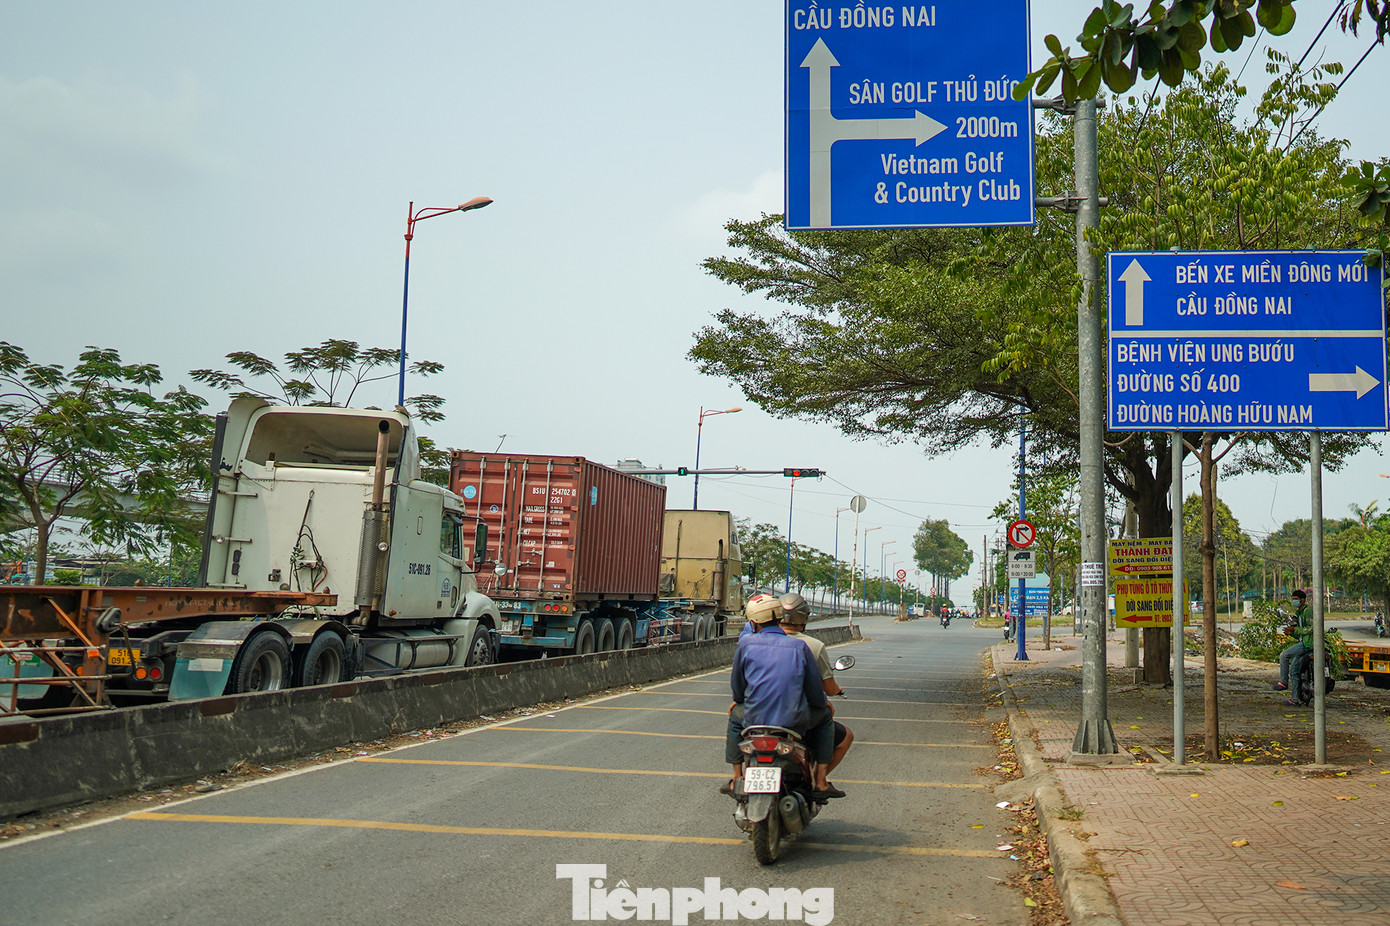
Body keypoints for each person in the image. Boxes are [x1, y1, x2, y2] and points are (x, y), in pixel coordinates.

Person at [722, 593, 841, 802]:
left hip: (753, 718)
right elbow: (815, 691)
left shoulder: (746, 644)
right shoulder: (799, 647)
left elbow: (738, 686)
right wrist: (824, 705)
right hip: (793, 720)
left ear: (752, 622)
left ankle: (736, 776)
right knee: (825, 718)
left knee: (734, 717)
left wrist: (739, 700)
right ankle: (821, 781)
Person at [778, 593, 854, 781]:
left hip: (760, 711)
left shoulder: (758, 641)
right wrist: (830, 696)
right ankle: (818, 780)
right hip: (798, 713)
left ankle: (738, 776)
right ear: (804, 618)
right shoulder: (811, 646)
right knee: (829, 718)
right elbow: (826, 688)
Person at [1275, 589, 1310, 705]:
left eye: (1296, 600)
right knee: (1294, 671)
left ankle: (1284, 682)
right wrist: (1292, 632)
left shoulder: (1308, 611)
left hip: (1307, 643)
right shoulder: (1299, 613)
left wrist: (1295, 629)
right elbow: (1300, 633)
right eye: (1293, 599)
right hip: (1302, 641)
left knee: (1284, 655)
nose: (1294, 601)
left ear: (1302, 600)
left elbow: (1312, 628)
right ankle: (1295, 699)